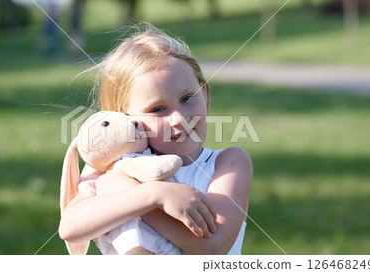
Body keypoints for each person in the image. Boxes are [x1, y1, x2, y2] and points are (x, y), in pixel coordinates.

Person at [59, 24, 252, 255]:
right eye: (158, 109)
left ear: (205, 94)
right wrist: (155, 195)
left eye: (188, 98)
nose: (179, 118)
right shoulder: (116, 171)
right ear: (124, 118)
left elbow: (213, 245)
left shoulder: (228, 163)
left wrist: (138, 197)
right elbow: (69, 228)